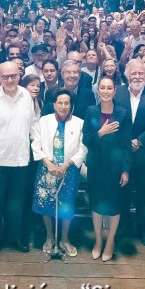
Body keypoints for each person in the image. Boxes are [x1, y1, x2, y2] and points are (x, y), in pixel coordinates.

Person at [0, 61, 38, 260]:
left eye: (13, 76)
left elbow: (33, 126)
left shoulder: (26, 96)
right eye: (5, 77)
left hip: (21, 160)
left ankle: (15, 237)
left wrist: (40, 149)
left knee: (17, 204)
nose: (10, 80)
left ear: (19, 74)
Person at [114, 58, 145, 247]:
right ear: (127, 75)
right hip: (121, 152)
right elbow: (110, 119)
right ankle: (123, 228)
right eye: (133, 73)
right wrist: (125, 141)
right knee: (122, 192)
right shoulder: (117, 93)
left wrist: (139, 141)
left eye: (140, 73)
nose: (137, 76)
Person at [32, 89, 87, 256]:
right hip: (47, 168)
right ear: (54, 104)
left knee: (66, 205)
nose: (63, 106)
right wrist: (48, 164)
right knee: (45, 203)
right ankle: (49, 237)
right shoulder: (44, 121)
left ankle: (64, 238)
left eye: (67, 103)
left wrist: (67, 165)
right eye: (60, 103)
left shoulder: (79, 122)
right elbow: (36, 144)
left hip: (68, 170)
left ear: (71, 105)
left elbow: (82, 148)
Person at [83, 76, 132, 261]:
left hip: (116, 168)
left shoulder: (122, 113)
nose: (105, 91)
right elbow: (86, 139)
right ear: (98, 90)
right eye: (102, 87)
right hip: (96, 166)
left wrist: (126, 170)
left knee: (114, 205)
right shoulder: (90, 111)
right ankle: (98, 240)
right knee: (96, 204)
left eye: (109, 88)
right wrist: (100, 133)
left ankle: (110, 241)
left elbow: (127, 144)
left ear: (114, 91)